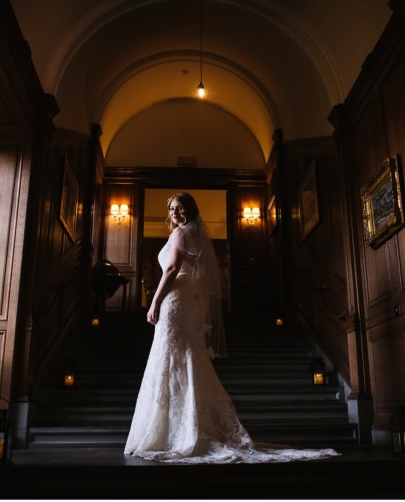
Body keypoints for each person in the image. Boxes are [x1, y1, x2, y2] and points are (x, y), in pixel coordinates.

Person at [124, 192, 340, 464]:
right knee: (183, 356)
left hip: (175, 300)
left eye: (179, 208)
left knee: (172, 356)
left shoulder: (181, 235)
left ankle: (172, 431)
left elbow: (170, 270)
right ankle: (183, 426)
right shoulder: (195, 234)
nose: (174, 212)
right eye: (171, 209)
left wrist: (154, 301)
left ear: (189, 209)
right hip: (186, 301)